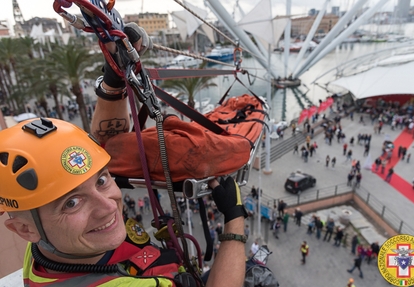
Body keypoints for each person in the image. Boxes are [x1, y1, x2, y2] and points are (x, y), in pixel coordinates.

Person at [0, 24, 247, 287]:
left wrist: (114, 79)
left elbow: (110, 145)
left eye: (102, 181)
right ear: (25, 230)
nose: (109, 205)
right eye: (71, 203)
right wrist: (234, 217)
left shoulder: (47, 250)